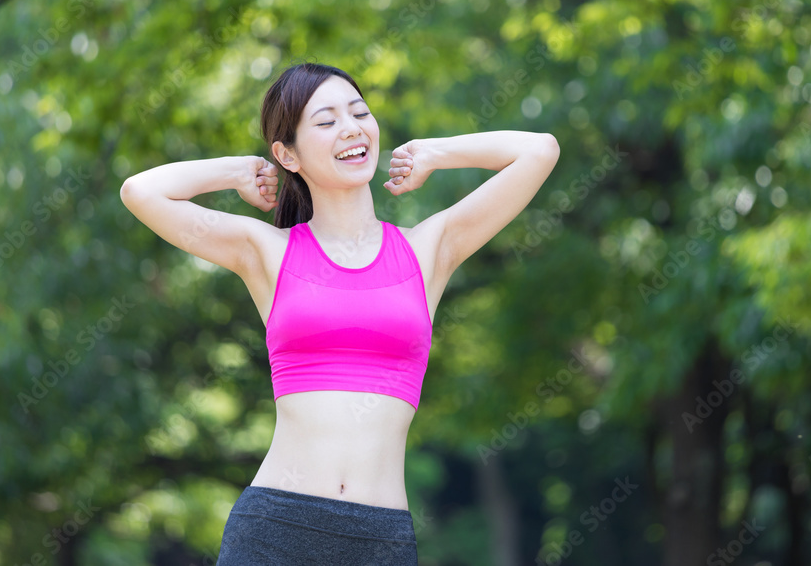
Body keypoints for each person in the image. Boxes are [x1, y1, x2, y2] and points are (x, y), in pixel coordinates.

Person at [119, 61, 560, 564]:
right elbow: (140, 192)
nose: (351, 128)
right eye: (326, 121)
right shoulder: (266, 251)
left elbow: (539, 150)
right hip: (274, 530)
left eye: (360, 113)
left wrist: (435, 152)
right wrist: (239, 171)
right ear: (288, 154)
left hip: (380, 540)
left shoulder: (427, 251)